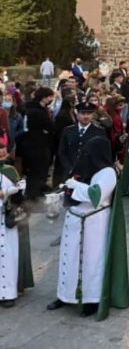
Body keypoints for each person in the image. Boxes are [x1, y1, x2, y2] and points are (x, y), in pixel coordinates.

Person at [46, 129, 129, 319]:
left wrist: (76, 186)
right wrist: (59, 196)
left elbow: (96, 195)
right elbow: (71, 190)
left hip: (93, 224)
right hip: (73, 220)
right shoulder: (83, 168)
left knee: (90, 261)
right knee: (69, 258)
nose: (85, 156)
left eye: (88, 153)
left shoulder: (108, 173)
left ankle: (91, 299)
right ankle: (65, 295)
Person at [0, 145, 32, 307]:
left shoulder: (9, 172)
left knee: (8, 256)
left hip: (6, 221)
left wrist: (11, 192)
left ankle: (8, 293)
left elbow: (18, 197)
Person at [16, 87, 56, 201]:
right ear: (43, 97)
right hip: (37, 145)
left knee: (34, 170)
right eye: (49, 97)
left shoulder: (29, 108)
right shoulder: (38, 112)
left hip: (30, 144)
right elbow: (50, 127)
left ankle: (36, 189)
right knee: (38, 170)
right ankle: (34, 192)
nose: (51, 99)